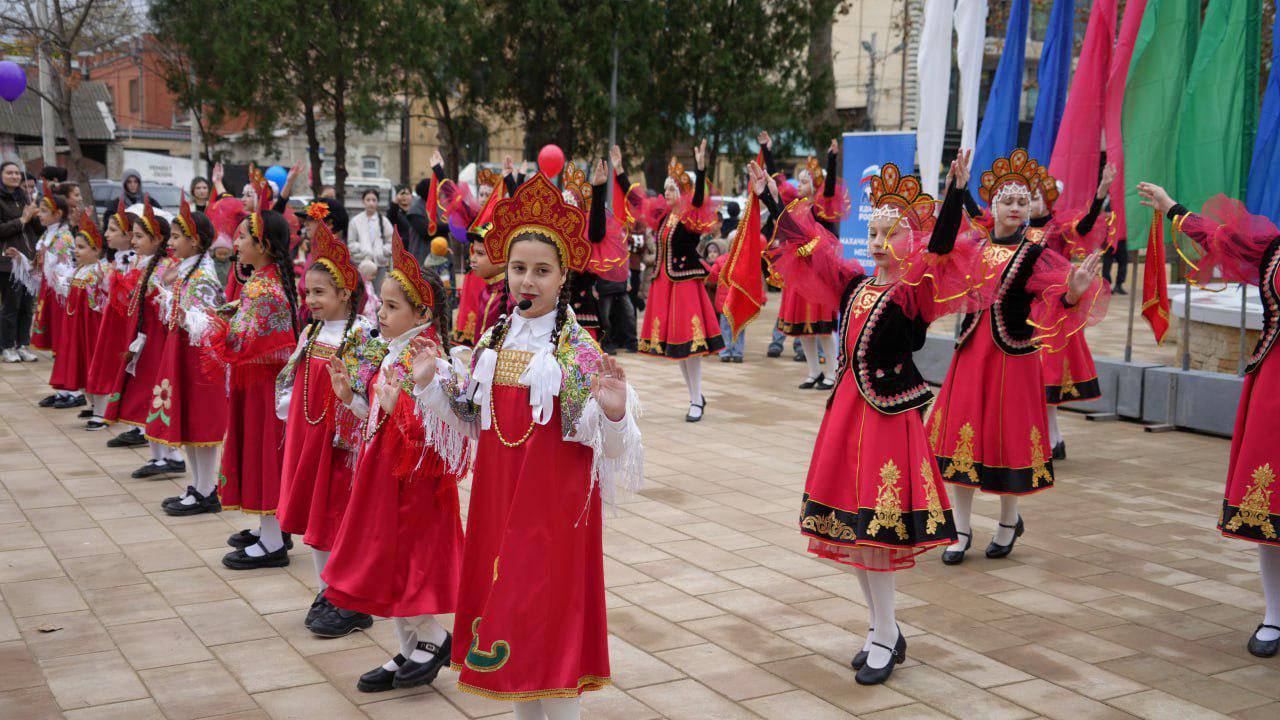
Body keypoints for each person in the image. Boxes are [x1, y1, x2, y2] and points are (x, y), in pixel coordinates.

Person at [413, 172, 642, 719]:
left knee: (546, 626)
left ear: (563, 277)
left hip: (553, 516)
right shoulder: (494, 339)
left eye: (542, 271)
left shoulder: (577, 352)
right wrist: (431, 384)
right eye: (519, 269)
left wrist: (613, 412)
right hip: (498, 506)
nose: (527, 281)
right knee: (511, 628)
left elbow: (611, 451)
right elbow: (471, 419)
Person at [752, 155, 986, 684]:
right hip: (848, 416)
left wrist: (953, 193)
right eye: (874, 232)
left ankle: (885, 632)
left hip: (887, 421)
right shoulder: (856, 284)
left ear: (911, 241)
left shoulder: (914, 292)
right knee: (856, 533)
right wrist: (771, 197)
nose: (880, 242)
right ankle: (883, 628)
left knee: (876, 535)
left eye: (892, 234)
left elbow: (944, 249)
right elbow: (809, 245)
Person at [928, 149, 1108, 565]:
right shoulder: (973, 245)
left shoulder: (1035, 252)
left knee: (1007, 440)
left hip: (1014, 358)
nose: (1014, 207)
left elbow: (1054, 297)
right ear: (992, 207)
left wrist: (1075, 291)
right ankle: (960, 528)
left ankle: (1009, 521)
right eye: (1006, 201)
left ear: (1030, 209)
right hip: (973, 354)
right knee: (962, 438)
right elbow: (939, 245)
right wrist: (958, 188)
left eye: (1021, 202)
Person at [1137, 181, 1280, 659]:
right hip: (1273, 391)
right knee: (1269, 506)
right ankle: (1274, 614)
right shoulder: (1274, 248)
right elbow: (1223, 239)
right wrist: (1173, 208)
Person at [322, 231, 465, 687]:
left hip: (416, 485)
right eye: (380, 304)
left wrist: (392, 406)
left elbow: (439, 430)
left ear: (422, 314)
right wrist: (353, 400)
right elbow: (381, 417)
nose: (379, 314)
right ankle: (409, 648)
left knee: (409, 563)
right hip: (384, 474)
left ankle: (434, 637)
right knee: (390, 560)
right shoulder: (394, 353)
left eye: (390, 307)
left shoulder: (433, 361)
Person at [274, 221, 385, 638]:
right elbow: (293, 378)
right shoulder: (311, 332)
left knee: (337, 517)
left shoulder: (363, 339)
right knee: (314, 517)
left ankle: (348, 596)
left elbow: (366, 399)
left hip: (340, 448)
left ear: (345, 294)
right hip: (308, 439)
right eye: (307, 293)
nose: (311, 301)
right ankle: (327, 590)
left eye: (319, 293)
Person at [188, 169, 300, 569]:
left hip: (262, 390)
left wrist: (209, 326)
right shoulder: (263, 281)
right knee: (259, 456)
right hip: (258, 386)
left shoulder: (264, 288)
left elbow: (240, 340)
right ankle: (268, 533)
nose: (234, 242)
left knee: (263, 458)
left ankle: (272, 542)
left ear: (263, 245)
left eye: (242, 237)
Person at [621, 140, 724, 421]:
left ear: (683, 192)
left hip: (686, 285)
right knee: (677, 347)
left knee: (691, 344)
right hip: (666, 285)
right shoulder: (665, 217)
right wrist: (620, 174)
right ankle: (695, 397)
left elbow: (701, 197)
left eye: (672, 188)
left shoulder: (690, 216)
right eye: (666, 188)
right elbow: (638, 202)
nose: (667, 192)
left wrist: (701, 168)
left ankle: (696, 399)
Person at [149, 194, 228, 516]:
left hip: (201, 361)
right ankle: (199, 486)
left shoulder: (204, 275)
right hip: (185, 354)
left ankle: (207, 490)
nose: (171, 242)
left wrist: (184, 316)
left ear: (195, 242)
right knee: (189, 423)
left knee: (201, 425)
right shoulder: (186, 269)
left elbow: (210, 319)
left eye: (178, 237)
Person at [1031, 166, 1117, 460]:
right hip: (1026, 310)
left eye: (1036, 196)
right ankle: (1049, 438)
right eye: (1027, 197)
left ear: (1049, 199)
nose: (1031, 203)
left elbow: (1087, 224)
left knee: (1050, 373)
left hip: (1055, 309)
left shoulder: (1060, 228)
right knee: (1034, 376)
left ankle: (1053, 437)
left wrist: (1101, 193)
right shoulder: (1017, 231)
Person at [103, 201, 186, 476]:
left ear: (157, 239)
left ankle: (171, 455)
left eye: (139, 236)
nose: (133, 241)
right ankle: (158, 456)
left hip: (159, 342)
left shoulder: (166, 266)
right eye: (133, 236)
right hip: (145, 341)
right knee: (146, 395)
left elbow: (164, 304)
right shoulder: (145, 263)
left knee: (158, 395)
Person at [762, 136, 851, 389]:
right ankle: (814, 372)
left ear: (815, 185)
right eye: (799, 181)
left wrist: (832, 159)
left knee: (823, 328)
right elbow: (776, 185)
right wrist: (768, 153)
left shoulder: (822, 207)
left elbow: (830, 186)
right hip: (799, 275)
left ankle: (833, 373)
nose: (799, 185)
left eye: (805, 181)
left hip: (819, 274)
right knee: (804, 329)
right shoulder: (795, 207)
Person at [85, 201, 140, 433]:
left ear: (128, 236)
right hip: (112, 318)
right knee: (104, 360)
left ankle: (113, 409)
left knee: (118, 361)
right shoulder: (115, 261)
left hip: (124, 320)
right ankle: (101, 408)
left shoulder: (133, 261)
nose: (106, 234)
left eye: (113, 230)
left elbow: (129, 291)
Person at [47, 210, 108, 413]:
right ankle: (92, 406)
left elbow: (99, 302)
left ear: (97, 250)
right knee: (82, 366)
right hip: (77, 329)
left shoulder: (99, 272)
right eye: (75, 247)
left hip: (91, 329)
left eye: (81, 248)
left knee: (94, 366)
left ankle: (101, 412)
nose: (76, 251)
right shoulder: (80, 270)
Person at [30, 184, 77, 403]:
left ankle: (73, 391)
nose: (39, 214)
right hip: (50, 293)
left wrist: (46, 257)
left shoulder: (64, 237)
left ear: (58, 214)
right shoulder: (48, 235)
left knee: (64, 341)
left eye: (44, 211)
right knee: (57, 342)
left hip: (61, 296)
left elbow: (65, 269)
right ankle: (63, 388)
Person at [0, 160, 39, 363]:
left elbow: (35, 230)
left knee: (26, 305)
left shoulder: (25, 198)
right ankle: (7, 346)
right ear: (1, 175)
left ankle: (23, 344)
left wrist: (36, 217)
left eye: (17, 173)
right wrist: (22, 220)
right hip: (8, 261)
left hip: (28, 261)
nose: (15, 176)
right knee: (11, 306)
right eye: (9, 173)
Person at [705, 235, 744, 363]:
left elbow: (712, 277)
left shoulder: (721, 260)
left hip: (726, 302)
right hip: (737, 301)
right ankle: (737, 353)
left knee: (726, 328)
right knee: (738, 328)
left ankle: (725, 352)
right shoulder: (745, 260)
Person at [348, 188, 396, 288]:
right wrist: (363, 248)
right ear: (363, 201)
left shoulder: (384, 221)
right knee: (362, 291)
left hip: (380, 264)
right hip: (362, 263)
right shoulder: (355, 221)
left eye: (374, 200)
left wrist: (382, 251)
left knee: (379, 292)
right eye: (368, 200)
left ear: (377, 202)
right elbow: (351, 243)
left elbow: (392, 241)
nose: (371, 203)